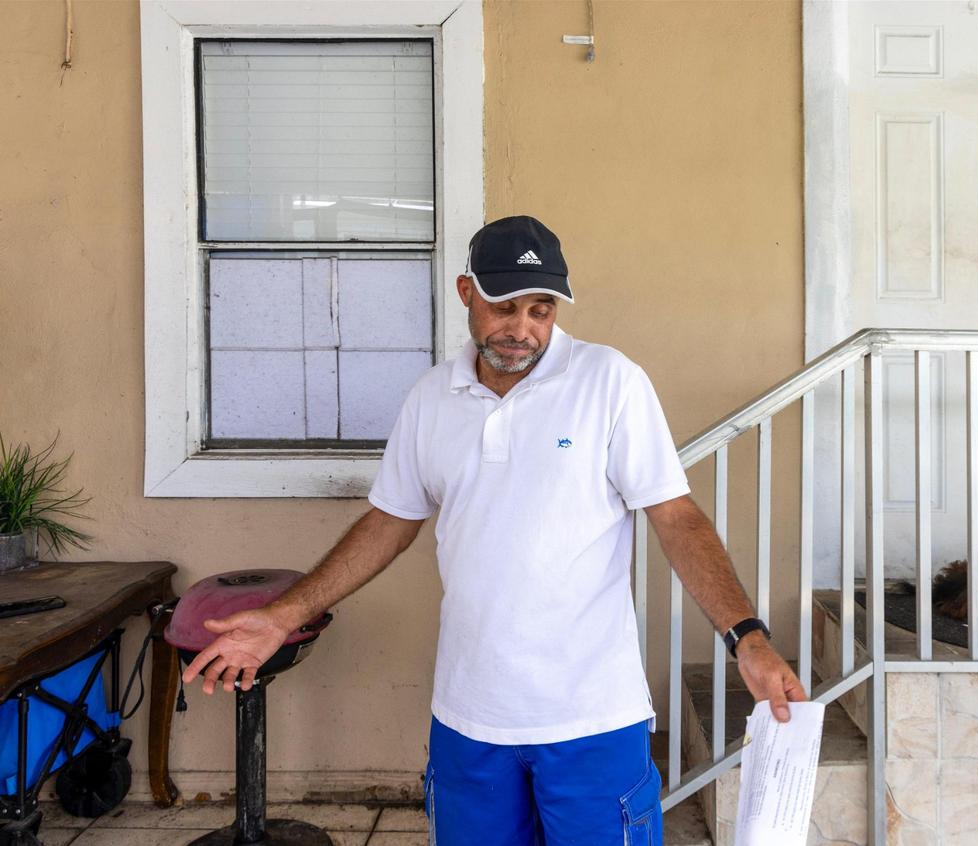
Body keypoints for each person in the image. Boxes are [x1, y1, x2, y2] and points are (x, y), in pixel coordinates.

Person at [182, 215, 806, 846]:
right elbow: (390, 521)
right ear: (466, 292)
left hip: (591, 719)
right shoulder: (432, 397)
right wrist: (284, 615)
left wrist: (746, 638)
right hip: (469, 720)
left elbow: (676, 517)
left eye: (541, 310)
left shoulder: (610, 381)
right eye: (504, 307)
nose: (522, 329)